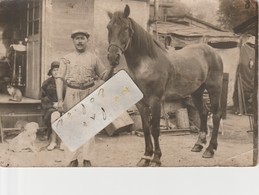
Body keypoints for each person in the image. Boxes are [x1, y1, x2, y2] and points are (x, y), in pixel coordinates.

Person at [55, 29, 114, 167]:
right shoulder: (66, 58)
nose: (80, 41)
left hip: (89, 91)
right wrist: (59, 100)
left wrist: (112, 67)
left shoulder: (93, 58)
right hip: (71, 92)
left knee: (89, 126)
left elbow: (104, 76)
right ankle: (72, 159)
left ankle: (87, 158)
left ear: (87, 40)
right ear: (73, 41)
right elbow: (59, 80)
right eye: (77, 38)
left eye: (82, 38)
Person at [40, 61, 65, 151]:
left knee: (64, 116)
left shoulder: (64, 82)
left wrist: (62, 103)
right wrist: (52, 104)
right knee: (55, 116)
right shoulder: (46, 83)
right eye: (54, 70)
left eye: (58, 70)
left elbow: (68, 95)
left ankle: (62, 141)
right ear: (51, 72)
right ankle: (53, 141)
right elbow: (43, 97)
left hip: (63, 106)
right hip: (51, 107)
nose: (56, 72)